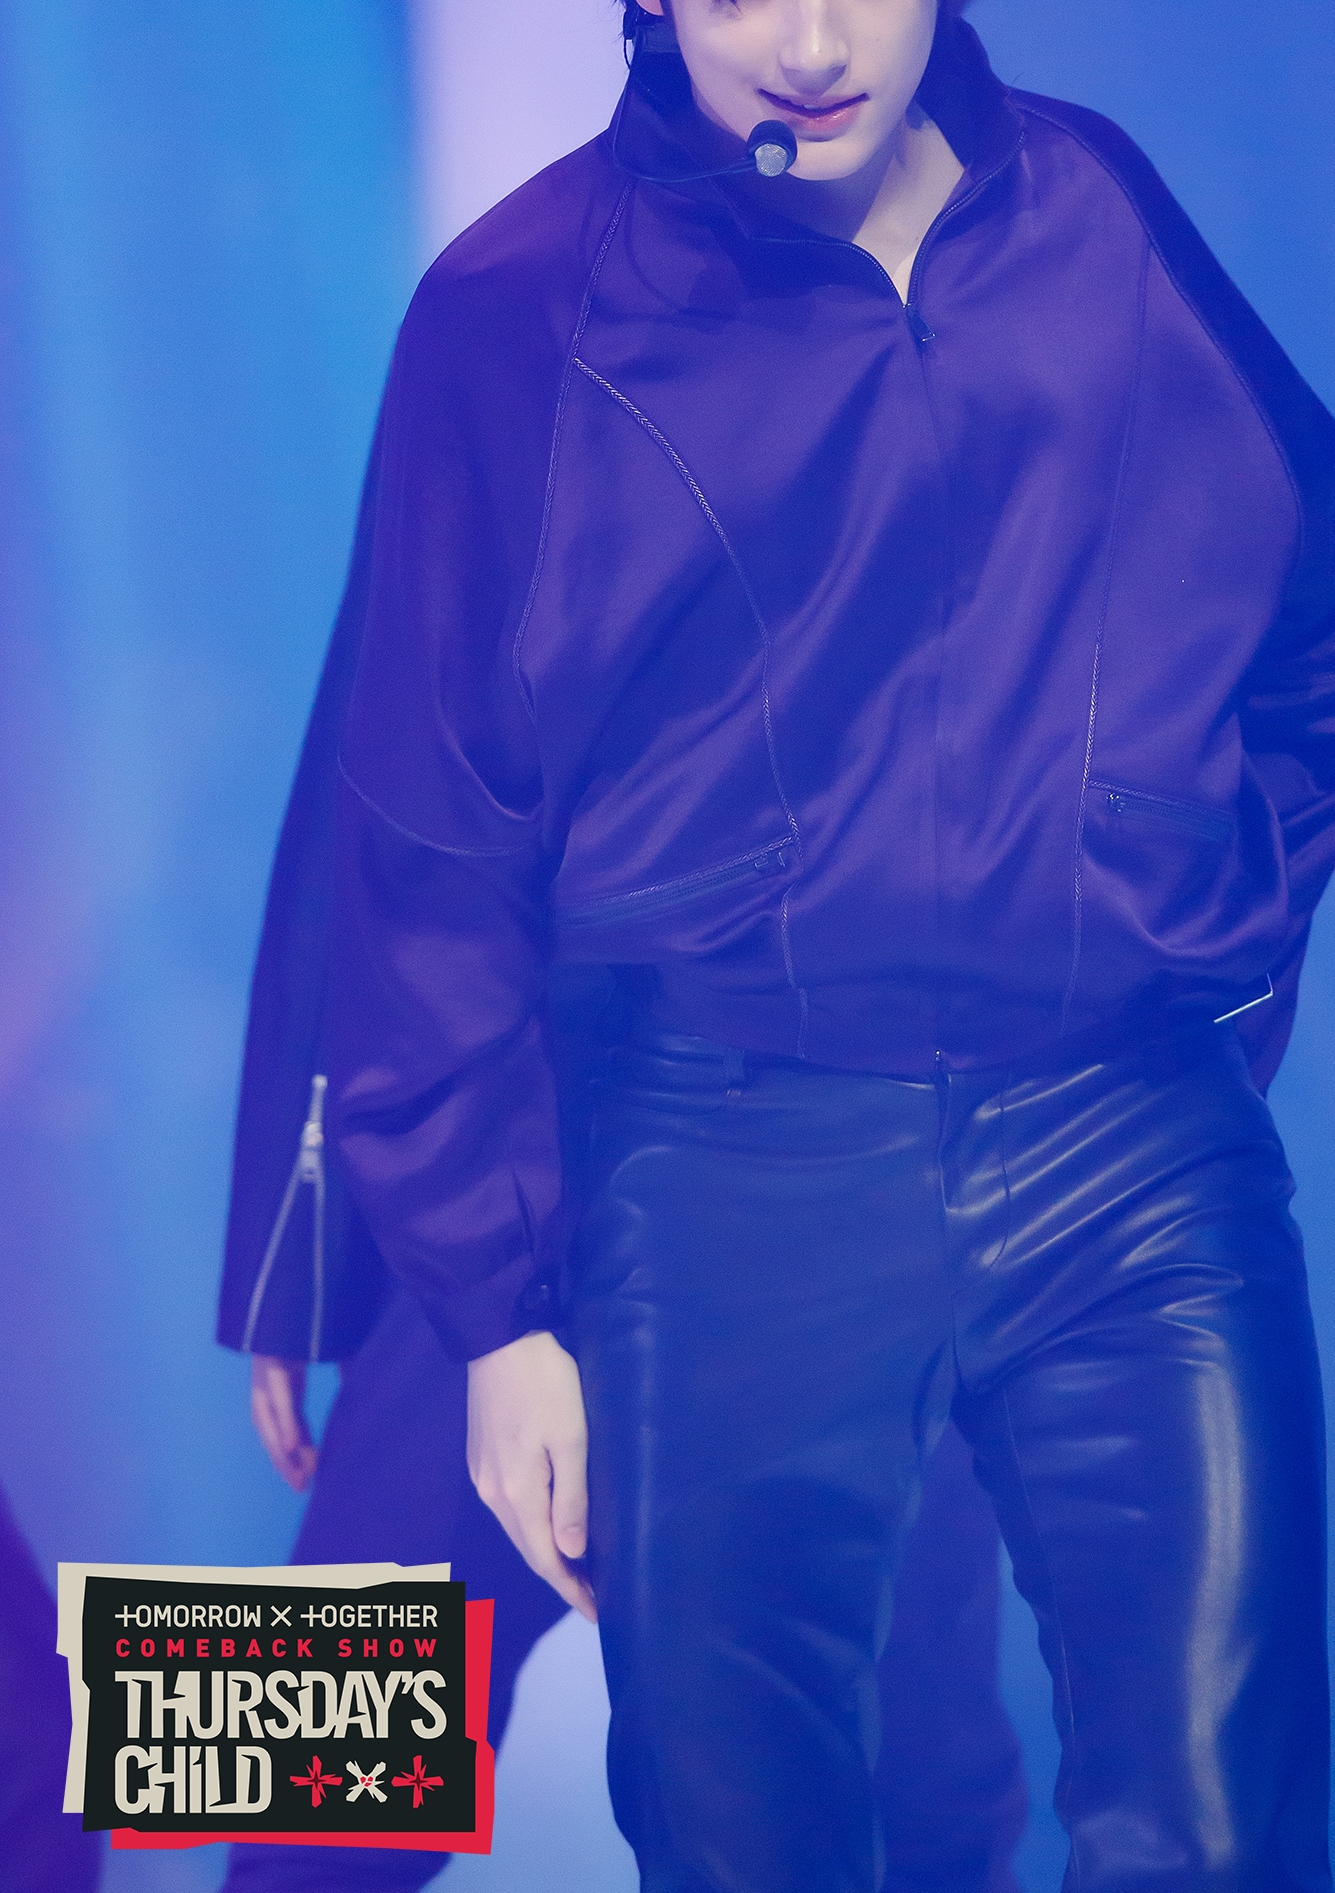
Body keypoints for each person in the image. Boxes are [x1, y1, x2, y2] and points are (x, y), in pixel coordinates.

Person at [273, 0, 1335, 1891]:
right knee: (744, 1835)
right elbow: (417, 832)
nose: (813, 42)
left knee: (1207, 1827)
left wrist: (1197, 926)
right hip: (721, 1165)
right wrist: (486, 1308)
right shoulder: (519, 311)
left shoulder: (1088, 210)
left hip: (1121, 1143)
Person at [216, 446, 1028, 1893]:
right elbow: (374, 772)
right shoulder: (496, 343)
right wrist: (301, 1236)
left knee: (916, 1779)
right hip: (522, 1189)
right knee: (296, 1789)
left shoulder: (959, 353)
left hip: (865, 1183)